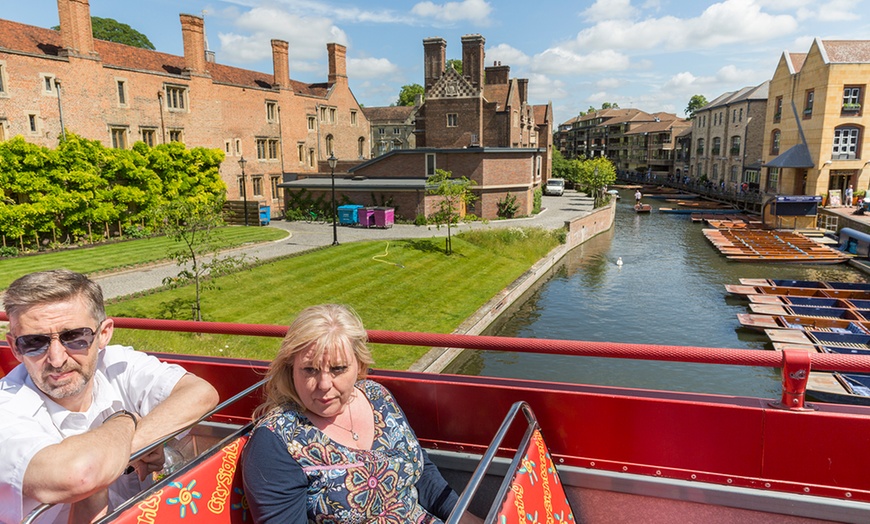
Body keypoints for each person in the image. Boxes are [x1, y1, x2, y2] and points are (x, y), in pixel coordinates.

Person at [0, 269, 220, 524]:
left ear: (103, 334)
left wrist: (130, 444)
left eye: (75, 337)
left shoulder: (116, 363)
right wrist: (124, 420)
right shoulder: (7, 408)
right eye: (34, 342)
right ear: (16, 347)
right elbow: (79, 475)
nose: (57, 359)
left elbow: (201, 393)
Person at [243, 304, 481, 523]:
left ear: (360, 365)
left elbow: (421, 471)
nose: (324, 384)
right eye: (309, 369)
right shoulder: (275, 441)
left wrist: (467, 519)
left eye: (338, 368)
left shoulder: (377, 397)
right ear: (290, 369)